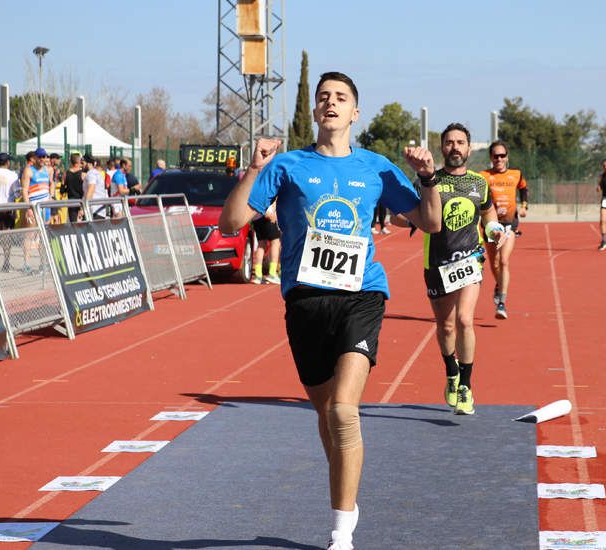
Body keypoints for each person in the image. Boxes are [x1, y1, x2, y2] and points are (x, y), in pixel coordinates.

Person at [218, 71, 441, 550]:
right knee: (327, 418)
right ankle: (347, 490)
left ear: (355, 113)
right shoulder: (288, 166)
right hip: (304, 302)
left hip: (362, 296)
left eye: (341, 97)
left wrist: (427, 177)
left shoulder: (376, 168)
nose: (331, 103)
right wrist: (254, 168)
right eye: (323, 98)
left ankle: (341, 533)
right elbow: (232, 220)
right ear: (316, 112)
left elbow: (429, 221)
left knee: (344, 410)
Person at [410, 122, 504, 417]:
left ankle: (465, 385)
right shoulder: (429, 180)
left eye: (460, 142)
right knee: (446, 325)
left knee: (465, 320)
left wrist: (493, 228)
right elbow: (414, 213)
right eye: (449, 142)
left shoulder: (479, 182)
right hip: (437, 263)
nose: (455, 147)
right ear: (442, 148)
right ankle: (451, 371)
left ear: (468, 147)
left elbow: (487, 210)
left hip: (470, 260)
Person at [480, 140, 527, 318]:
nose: (499, 158)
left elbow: (524, 189)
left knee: (504, 260)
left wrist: (524, 206)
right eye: (495, 156)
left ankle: (502, 302)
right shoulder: (484, 176)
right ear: (491, 158)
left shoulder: (516, 174)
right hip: (490, 225)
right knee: (495, 262)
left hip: (509, 225)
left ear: (507, 157)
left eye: (502, 155)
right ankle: (499, 285)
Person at [21, 148, 55, 226]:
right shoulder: (28, 170)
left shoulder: (48, 170)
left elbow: (52, 183)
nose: (42, 159)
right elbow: (24, 190)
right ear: (35, 158)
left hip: (46, 208)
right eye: (40, 157)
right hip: (34, 208)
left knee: (44, 234)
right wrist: (28, 208)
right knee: (31, 235)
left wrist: (51, 196)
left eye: (44, 157)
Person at [251, 203, 282, 284]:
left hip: (256, 216)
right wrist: (273, 209)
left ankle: (258, 275)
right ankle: (272, 273)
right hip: (267, 213)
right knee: (275, 242)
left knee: (261, 244)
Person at [63, 153, 86, 222]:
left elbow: (62, 189)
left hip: (71, 202)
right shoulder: (83, 174)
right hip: (82, 201)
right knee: (85, 225)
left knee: (74, 225)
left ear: (71, 161)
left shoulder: (66, 173)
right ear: (80, 161)